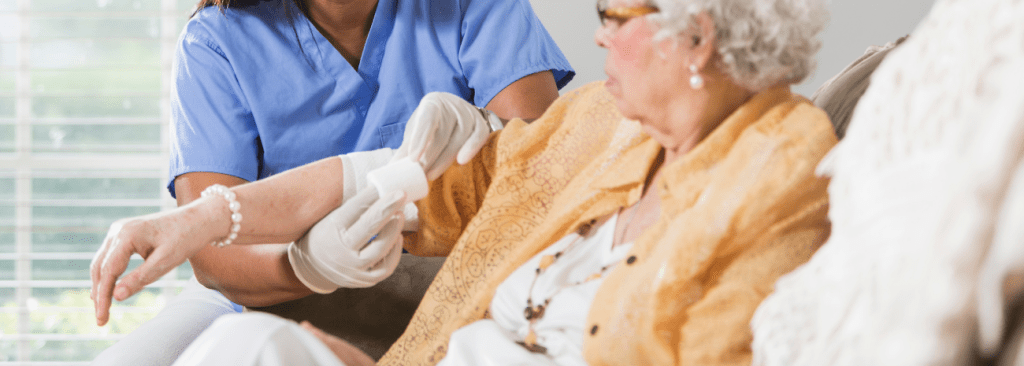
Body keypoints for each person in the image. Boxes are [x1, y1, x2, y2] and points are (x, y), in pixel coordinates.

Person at [91, 0, 835, 364]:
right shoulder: (603, 125)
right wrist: (204, 224)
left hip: (424, 278)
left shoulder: (778, 166)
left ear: (697, 35)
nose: (598, 35)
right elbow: (440, 179)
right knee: (233, 346)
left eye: (614, 13)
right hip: (284, 282)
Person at [93, 0, 572, 363]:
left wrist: (485, 133)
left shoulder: (476, 6)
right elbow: (216, 257)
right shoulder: (217, 41)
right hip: (267, 289)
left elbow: (541, 178)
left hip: (459, 273)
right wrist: (308, 265)